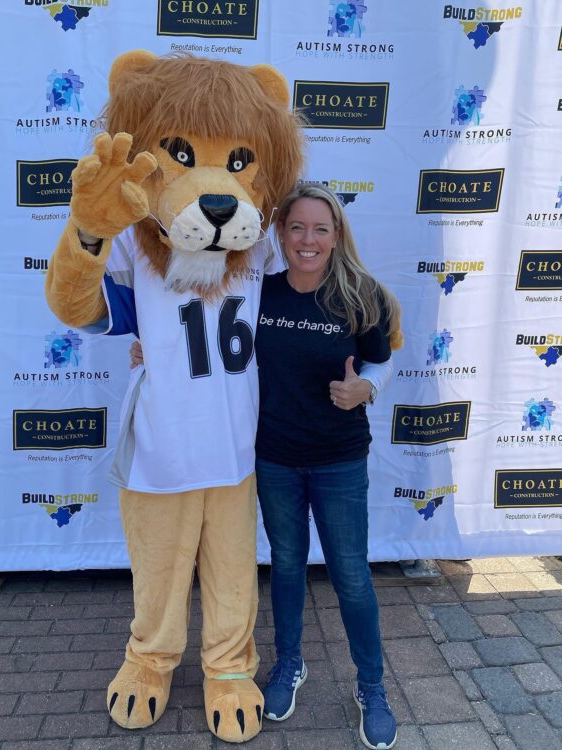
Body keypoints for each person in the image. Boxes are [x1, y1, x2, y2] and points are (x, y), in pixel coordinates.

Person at [131, 183, 402, 749]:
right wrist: (148, 346)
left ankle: (372, 688)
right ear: (280, 234)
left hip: (338, 461)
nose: (308, 240)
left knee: (351, 575)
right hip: (274, 458)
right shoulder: (263, 292)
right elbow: (202, 326)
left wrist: (367, 391)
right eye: (297, 228)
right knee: (284, 567)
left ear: (336, 236)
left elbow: (380, 360)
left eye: (320, 229)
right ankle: (288, 666)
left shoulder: (361, 295)